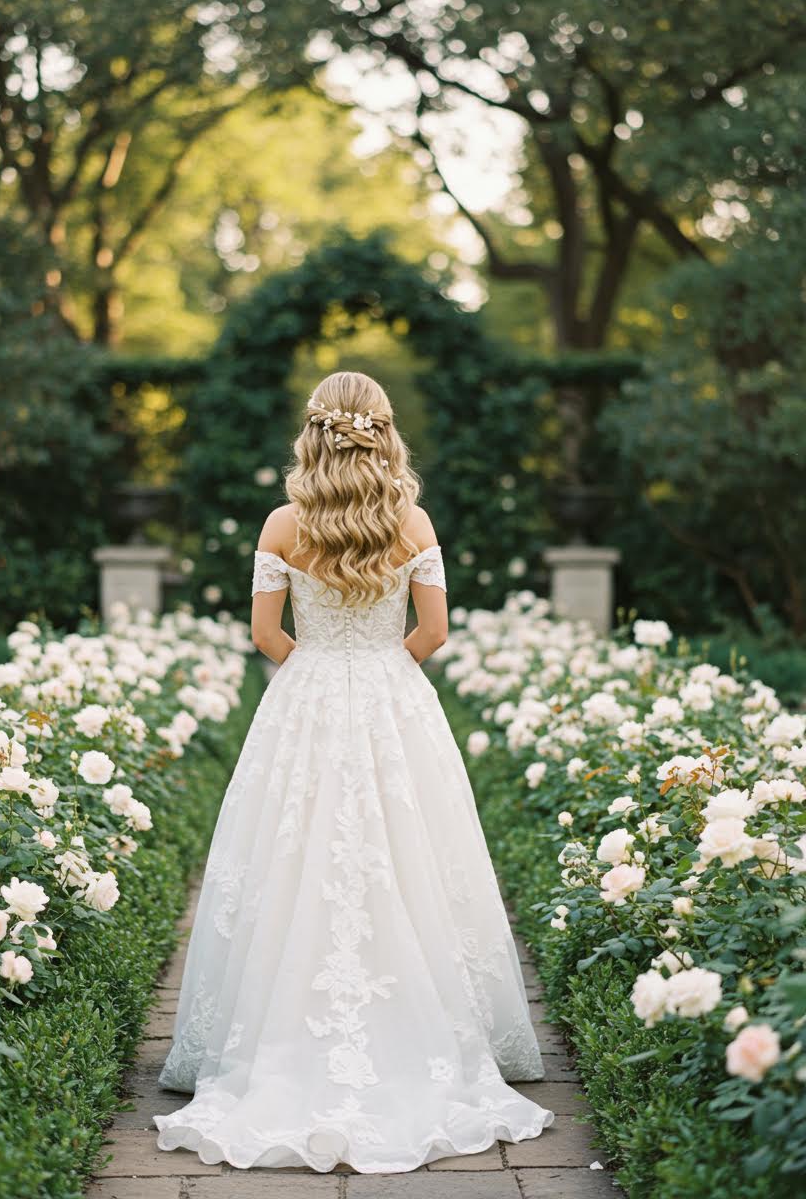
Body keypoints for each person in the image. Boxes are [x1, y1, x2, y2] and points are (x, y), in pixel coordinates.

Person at [153, 370, 554, 1172]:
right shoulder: (411, 520)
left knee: (292, 849)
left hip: (303, 696)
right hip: (390, 694)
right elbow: (434, 632)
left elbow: (265, 634)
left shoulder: (283, 523)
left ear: (314, 434)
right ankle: (425, 1022)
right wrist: (380, 671)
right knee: (407, 848)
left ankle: (270, 1027)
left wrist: (317, 670)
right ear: (383, 431)